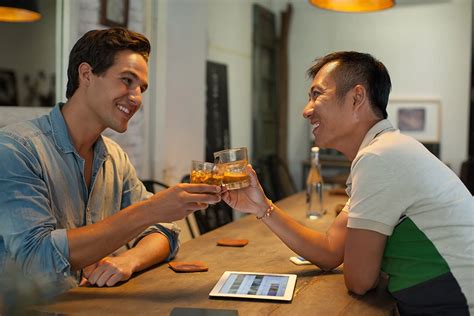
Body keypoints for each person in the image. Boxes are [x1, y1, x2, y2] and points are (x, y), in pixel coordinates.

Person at [222, 51, 473, 315]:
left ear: (357, 98)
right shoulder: (385, 150)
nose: (306, 110)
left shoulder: (379, 157)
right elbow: (331, 251)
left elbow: (360, 281)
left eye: (317, 95)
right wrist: (262, 206)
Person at [0, 28, 221, 300]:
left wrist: (129, 260)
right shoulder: (16, 149)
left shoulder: (114, 157)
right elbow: (35, 259)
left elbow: (165, 232)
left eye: (141, 88)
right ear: (86, 75)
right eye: (127, 81)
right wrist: (149, 210)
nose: (137, 97)